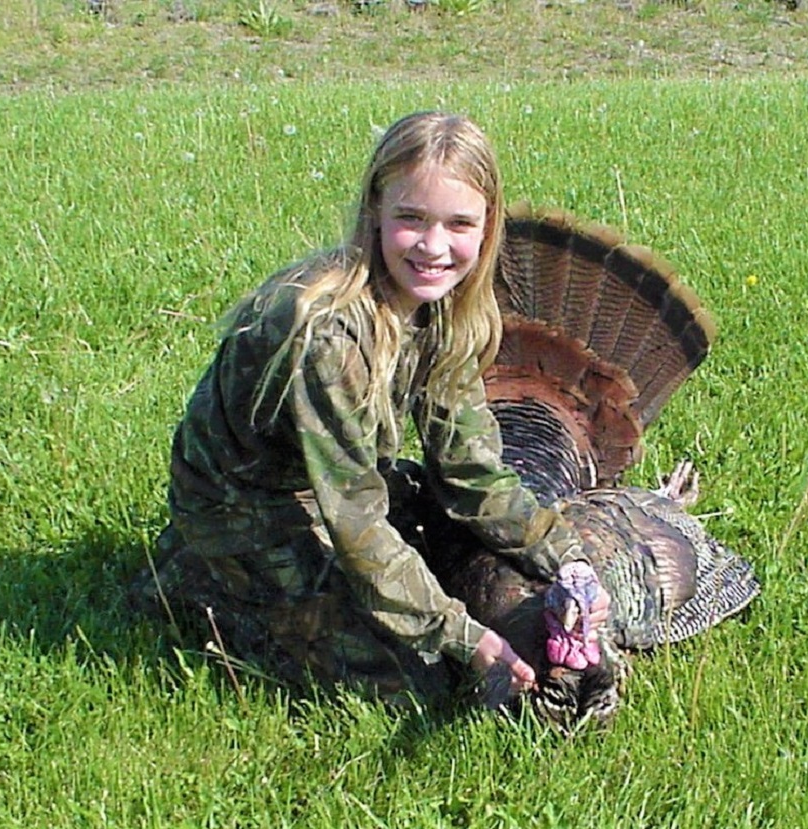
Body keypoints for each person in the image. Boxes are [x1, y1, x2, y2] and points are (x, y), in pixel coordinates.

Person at [134, 111, 607, 707]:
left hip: (336, 482)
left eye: (459, 224)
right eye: (412, 219)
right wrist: (465, 638)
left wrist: (570, 561)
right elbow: (356, 525)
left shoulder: (450, 311)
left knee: (446, 546)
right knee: (422, 681)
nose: (435, 247)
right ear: (375, 210)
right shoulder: (328, 332)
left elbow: (472, 475)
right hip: (243, 504)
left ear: (486, 229)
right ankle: (201, 581)